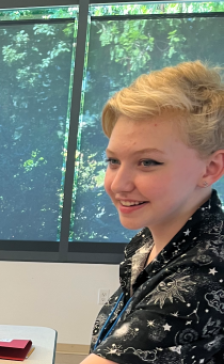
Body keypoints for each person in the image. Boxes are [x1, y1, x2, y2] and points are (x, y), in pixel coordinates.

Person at [83, 61, 224, 364]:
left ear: (210, 168)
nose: (118, 184)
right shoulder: (147, 242)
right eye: (113, 161)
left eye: (147, 162)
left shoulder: (204, 276)